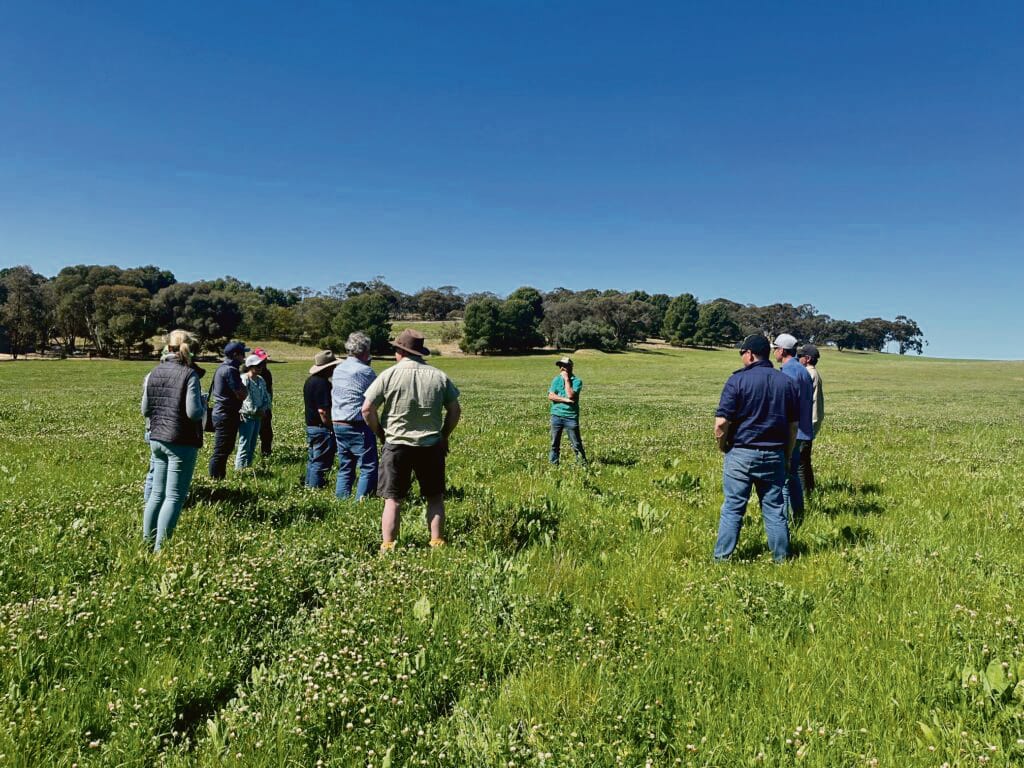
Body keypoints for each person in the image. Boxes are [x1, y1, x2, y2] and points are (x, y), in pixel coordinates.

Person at [362, 329, 461, 551]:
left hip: (396, 444)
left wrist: (381, 434)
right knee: (434, 497)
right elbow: (455, 410)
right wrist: (444, 435)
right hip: (430, 444)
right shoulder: (439, 376)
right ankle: (437, 541)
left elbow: (367, 409)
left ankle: (389, 545)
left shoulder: (388, 375)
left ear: (399, 351)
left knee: (393, 499)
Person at [712, 333, 799, 562]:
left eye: (742, 353)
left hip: (740, 452)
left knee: (733, 508)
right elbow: (793, 427)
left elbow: (721, 423)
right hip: (774, 454)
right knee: (774, 508)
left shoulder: (737, 380)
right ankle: (782, 558)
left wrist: (723, 447)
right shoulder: (787, 383)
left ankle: (722, 559)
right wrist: (787, 456)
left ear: (749, 354)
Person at [141, 330, 206, 551]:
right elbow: (194, 413)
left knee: (156, 495)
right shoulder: (190, 375)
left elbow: (145, 410)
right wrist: (203, 403)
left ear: (167, 348)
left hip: (157, 438)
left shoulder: (153, 372)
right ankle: (161, 550)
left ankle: (147, 543)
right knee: (174, 497)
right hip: (181, 441)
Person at [331, 332, 379, 499]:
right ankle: (362, 502)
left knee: (346, 465)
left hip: (338, 422)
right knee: (368, 465)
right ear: (365, 351)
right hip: (357, 423)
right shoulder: (366, 371)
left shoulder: (338, 369)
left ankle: (341, 500)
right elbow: (376, 396)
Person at [773, 333, 814, 525]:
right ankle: (799, 516)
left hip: (791, 431)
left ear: (782, 350)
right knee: (794, 476)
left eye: (775, 349)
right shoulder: (803, 370)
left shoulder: (788, 372)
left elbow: (784, 404)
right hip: (803, 430)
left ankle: (786, 520)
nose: (774, 352)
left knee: (784, 477)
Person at [208, 340, 248, 479]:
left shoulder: (222, 367)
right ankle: (216, 479)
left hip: (222, 413)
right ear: (236, 355)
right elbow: (242, 394)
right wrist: (245, 388)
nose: (244, 358)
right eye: (242, 354)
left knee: (224, 449)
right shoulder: (231, 370)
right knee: (221, 451)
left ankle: (218, 477)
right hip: (226, 414)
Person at [304, 350, 342, 488]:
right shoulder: (323, 384)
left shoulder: (310, 381)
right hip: (321, 428)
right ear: (328, 367)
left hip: (311, 427)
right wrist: (331, 427)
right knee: (320, 462)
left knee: (313, 460)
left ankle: (309, 486)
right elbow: (323, 411)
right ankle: (315, 489)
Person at [548, 356, 587, 465]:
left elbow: (571, 395)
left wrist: (566, 379)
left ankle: (582, 465)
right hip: (556, 415)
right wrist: (565, 400)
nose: (562, 368)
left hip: (570, 417)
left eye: (564, 365)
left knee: (576, 444)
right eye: (561, 366)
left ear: (571, 367)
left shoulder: (577, 381)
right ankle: (553, 465)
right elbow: (551, 396)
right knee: (554, 444)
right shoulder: (556, 380)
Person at [797, 343, 825, 495]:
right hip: (811, 424)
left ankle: (803, 494)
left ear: (807, 359)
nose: (798, 358)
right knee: (805, 461)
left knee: (800, 462)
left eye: (800, 356)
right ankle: (810, 490)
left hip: (806, 425)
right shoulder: (815, 374)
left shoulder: (808, 374)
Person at [235, 354, 271, 469]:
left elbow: (266, 395)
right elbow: (247, 398)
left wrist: (265, 408)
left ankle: (248, 467)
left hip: (258, 416)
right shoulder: (244, 379)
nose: (260, 368)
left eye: (261, 365)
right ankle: (239, 469)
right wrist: (255, 410)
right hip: (247, 416)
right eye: (257, 366)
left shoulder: (260, 379)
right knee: (244, 444)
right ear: (250, 366)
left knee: (252, 444)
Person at [252, 347, 274, 457]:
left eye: (264, 359)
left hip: (266, 408)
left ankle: (266, 454)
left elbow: (269, 392)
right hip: (253, 409)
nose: (264, 362)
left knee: (267, 434)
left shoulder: (267, 373)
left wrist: (268, 406)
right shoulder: (250, 373)